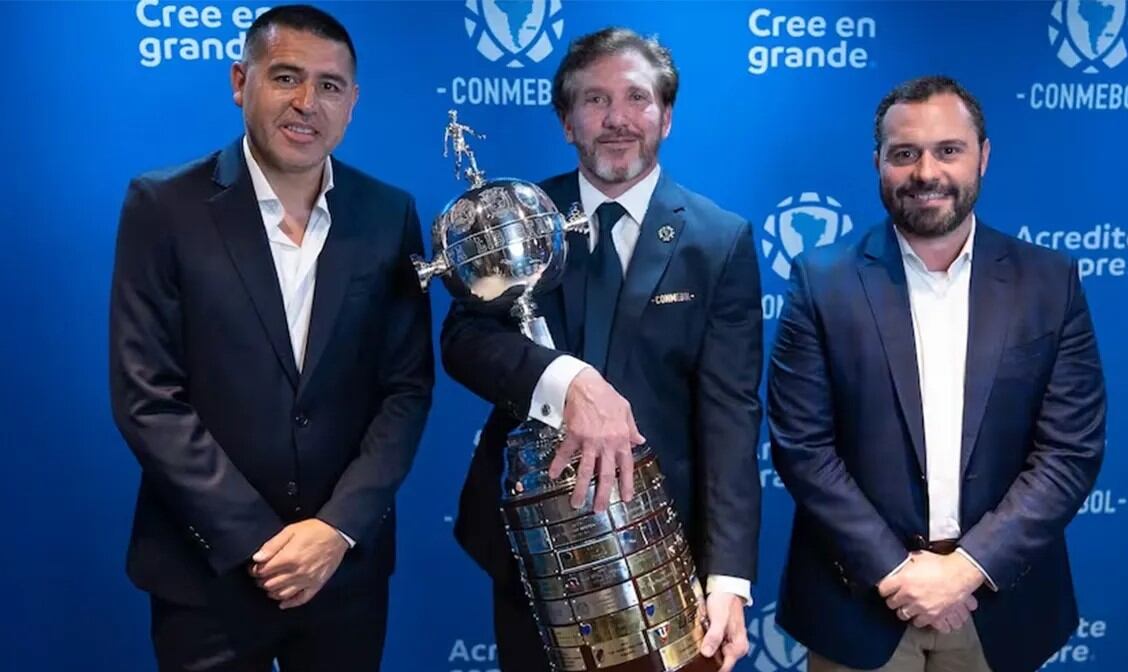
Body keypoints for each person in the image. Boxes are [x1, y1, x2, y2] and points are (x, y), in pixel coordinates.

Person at [108, 5, 433, 670]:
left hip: (344, 569)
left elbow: (405, 389)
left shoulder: (388, 213)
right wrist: (263, 544)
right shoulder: (163, 206)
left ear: (352, 103)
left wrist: (335, 530)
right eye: (286, 78)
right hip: (208, 573)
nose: (307, 103)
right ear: (240, 81)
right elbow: (148, 397)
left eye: (330, 86)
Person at [441, 27, 764, 672]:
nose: (617, 119)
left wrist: (730, 577)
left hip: (666, 555)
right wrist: (564, 381)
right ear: (567, 121)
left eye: (637, 98)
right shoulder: (515, 219)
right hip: (535, 548)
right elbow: (465, 340)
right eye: (593, 100)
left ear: (666, 116)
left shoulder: (719, 241)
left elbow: (730, 415)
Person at [767, 75, 1106, 672]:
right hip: (861, 606)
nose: (927, 172)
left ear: (983, 156)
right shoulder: (822, 282)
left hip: (1000, 607)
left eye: (948, 150)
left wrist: (967, 568)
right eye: (905, 154)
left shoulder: (1049, 283)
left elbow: (1069, 451)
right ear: (878, 163)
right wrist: (899, 574)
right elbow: (803, 449)